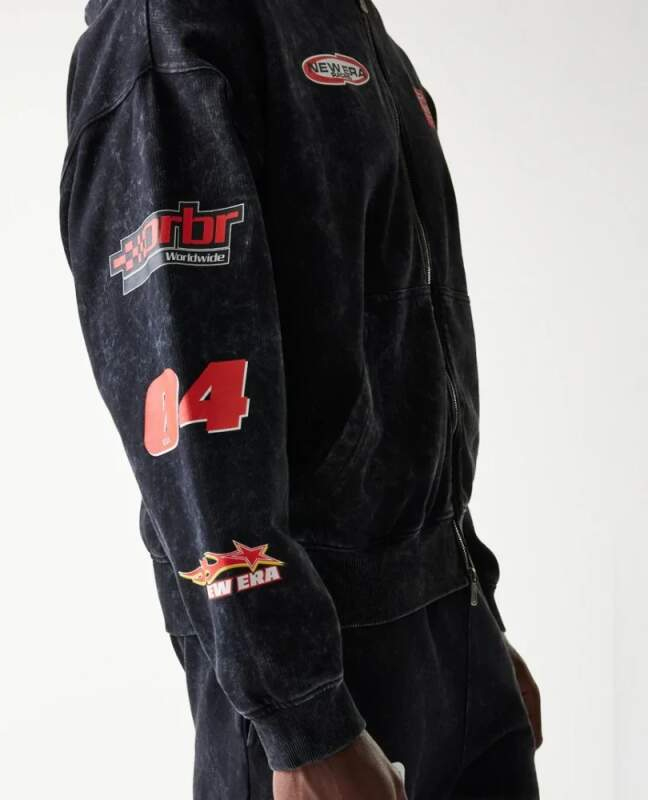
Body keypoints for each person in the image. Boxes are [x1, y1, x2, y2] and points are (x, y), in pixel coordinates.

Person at [59, 0, 542, 797]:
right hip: (323, 665)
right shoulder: (171, 29)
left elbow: (405, 367)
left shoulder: (351, 23)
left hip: (450, 632)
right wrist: (301, 720)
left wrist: (475, 615)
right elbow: (188, 407)